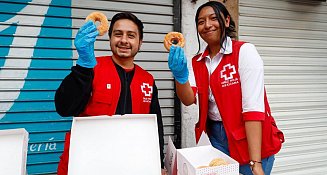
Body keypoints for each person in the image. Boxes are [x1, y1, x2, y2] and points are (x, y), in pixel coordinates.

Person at [167, 1, 284, 175]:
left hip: (250, 137)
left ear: (227, 21)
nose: (207, 25)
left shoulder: (244, 52)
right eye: (201, 22)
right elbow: (188, 99)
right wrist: (180, 75)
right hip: (215, 136)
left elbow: (253, 109)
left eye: (213, 18)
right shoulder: (197, 61)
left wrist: (255, 162)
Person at [55, 12, 167, 175]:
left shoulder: (148, 80)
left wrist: (158, 163)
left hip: (132, 163)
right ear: (109, 38)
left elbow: (156, 128)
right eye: (118, 34)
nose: (124, 40)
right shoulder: (90, 68)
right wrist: (82, 69)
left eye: (131, 35)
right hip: (87, 163)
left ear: (140, 42)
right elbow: (64, 108)